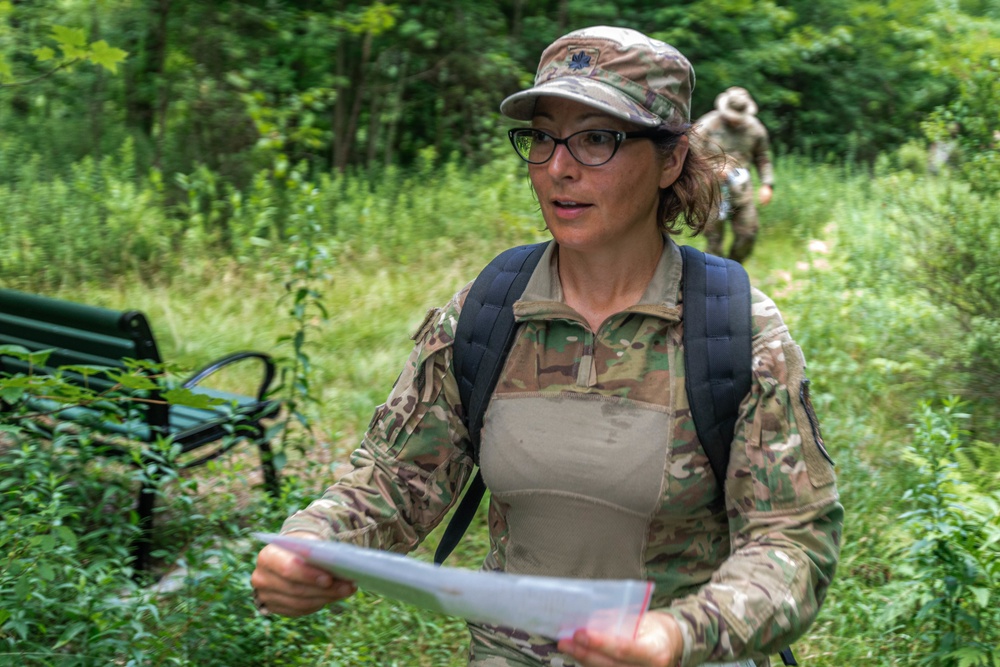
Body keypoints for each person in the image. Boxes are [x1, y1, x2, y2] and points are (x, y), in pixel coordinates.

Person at [252, 26, 843, 667]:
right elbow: (396, 476)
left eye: (597, 139)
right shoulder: (487, 310)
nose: (558, 167)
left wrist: (676, 635)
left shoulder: (733, 330)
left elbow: (791, 541)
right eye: (542, 137)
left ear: (670, 159)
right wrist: (311, 541)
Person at [694, 87, 774, 263]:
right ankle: (715, 276)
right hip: (712, 192)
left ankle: (733, 268)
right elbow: (689, 156)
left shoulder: (756, 130)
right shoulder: (706, 125)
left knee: (748, 234)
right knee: (714, 241)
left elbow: (763, 158)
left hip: (741, 191)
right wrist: (712, 169)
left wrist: (767, 184)